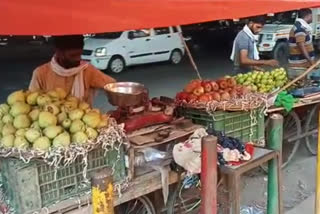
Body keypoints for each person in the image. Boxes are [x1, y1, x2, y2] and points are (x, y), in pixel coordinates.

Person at [29, 35, 116, 105]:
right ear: (59, 52)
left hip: (83, 124)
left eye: (79, 54)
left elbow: (113, 85)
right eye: (73, 56)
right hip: (49, 125)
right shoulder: (40, 73)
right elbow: (31, 102)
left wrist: (120, 99)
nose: (77, 59)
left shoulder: (87, 70)